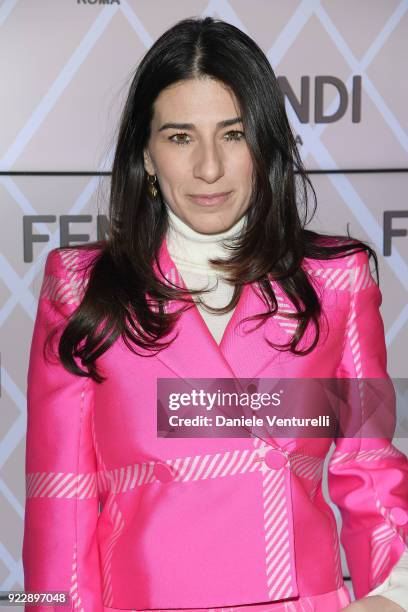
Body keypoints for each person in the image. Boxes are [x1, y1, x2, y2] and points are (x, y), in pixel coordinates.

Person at [22, 16, 408, 612]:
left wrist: (391, 596)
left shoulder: (336, 281)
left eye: (232, 134)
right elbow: (60, 502)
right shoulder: (82, 289)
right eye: (180, 137)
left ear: (266, 144)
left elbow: (371, 469)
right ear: (146, 155)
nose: (209, 168)